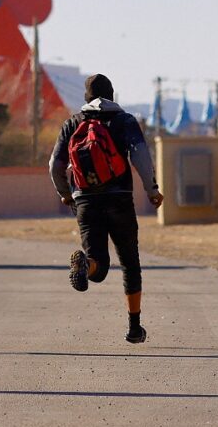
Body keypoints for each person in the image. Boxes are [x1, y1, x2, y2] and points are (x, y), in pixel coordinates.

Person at [49, 74, 164, 344]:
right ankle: (134, 327)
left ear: (86, 98)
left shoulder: (73, 123)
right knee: (129, 263)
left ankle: (85, 265)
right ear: (112, 95)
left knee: (98, 267)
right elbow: (141, 156)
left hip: (86, 201)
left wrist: (66, 194)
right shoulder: (124, 121)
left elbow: (55, 164)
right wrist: (152, 189)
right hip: (120, 199)